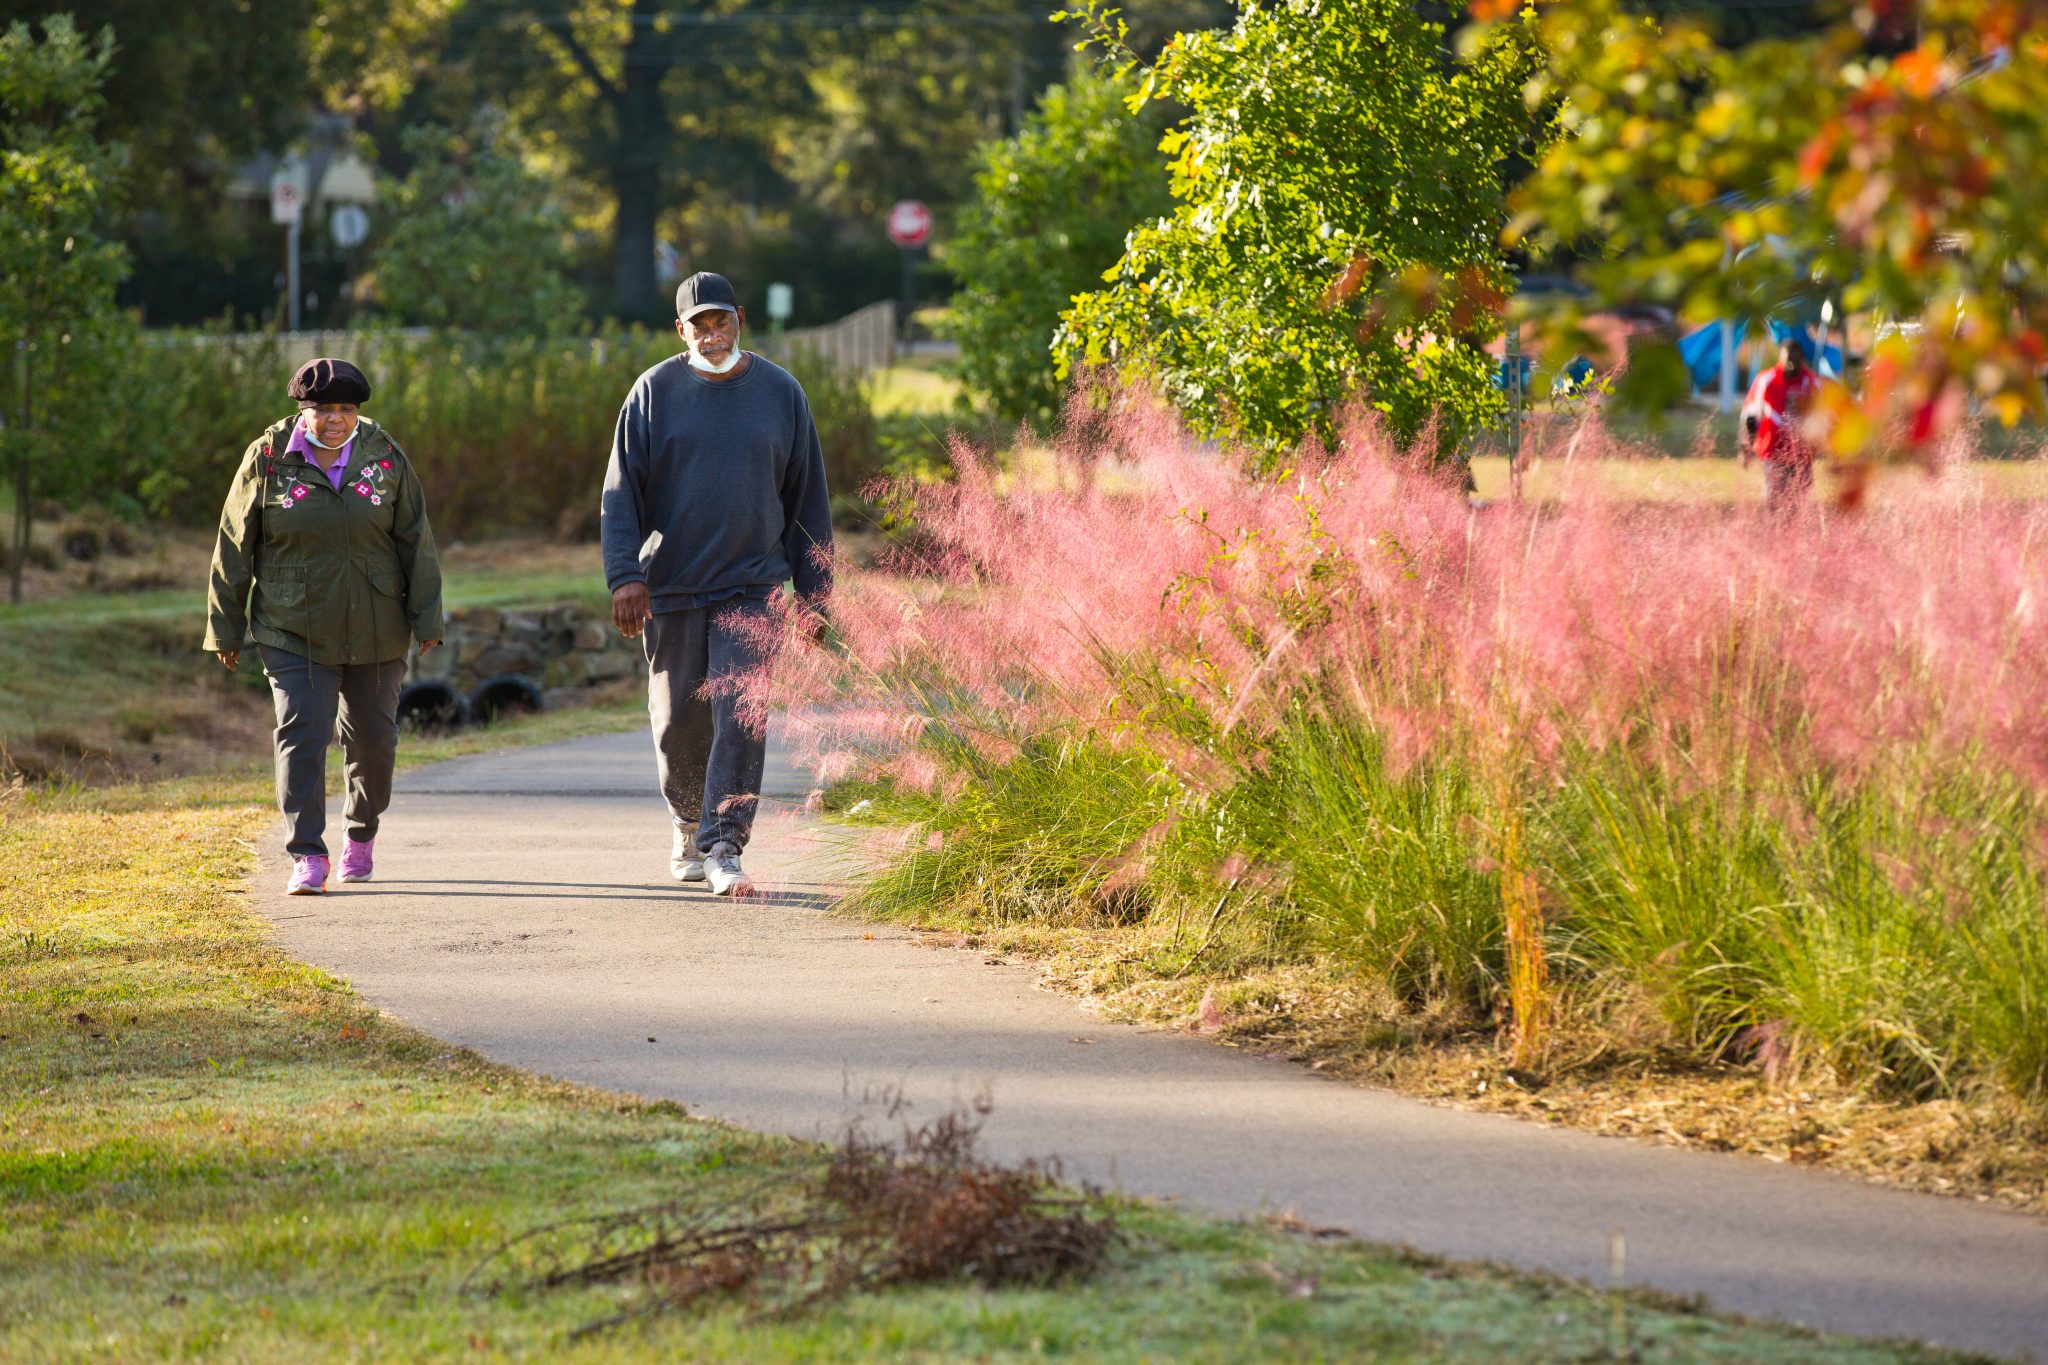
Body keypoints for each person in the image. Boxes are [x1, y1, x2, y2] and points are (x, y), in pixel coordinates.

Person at [601, 271, 833, 898]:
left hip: (752, 587)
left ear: (740, 320)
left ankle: (724, 843)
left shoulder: (781, 393)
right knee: (680, 724)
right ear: (681, 330)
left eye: (720, 321)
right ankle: (686, 817)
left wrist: (817, 598)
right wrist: (625, 575)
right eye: (698, 325)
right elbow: (621, 496)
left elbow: (807, 503)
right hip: (672, 585)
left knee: (741, 715)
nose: (711, 334)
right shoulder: (653, 393)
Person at [204, 358, 444, 895]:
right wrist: (225, 626)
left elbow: (416, 540)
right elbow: (233, 543)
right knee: (302, 736)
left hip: (377, 623)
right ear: (302, 410)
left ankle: (361, 834)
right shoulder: (267, 459)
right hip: (292, 625)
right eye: (323, 409)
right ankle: (307, 854)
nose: (335, 419)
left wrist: (427, 616)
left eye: (346, 409)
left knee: (374, 743)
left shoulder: (384, 457)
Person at [1742, 337, 1823, 511]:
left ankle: (1796, 535)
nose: (1791, 365)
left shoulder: (1812, 382)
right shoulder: (1767, 380)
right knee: (1774, 499)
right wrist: (1746, 445)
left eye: (1795, 360)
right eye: (1788, 360)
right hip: (1773, 449)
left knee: (1801, 500)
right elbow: (1750, 415)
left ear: (1802, 359)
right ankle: (1773, 534)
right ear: (1780, 359)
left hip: (1802, 451)